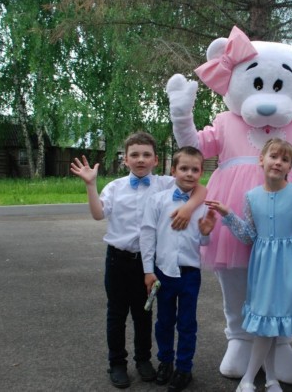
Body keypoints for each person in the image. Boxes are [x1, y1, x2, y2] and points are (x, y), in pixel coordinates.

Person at [70, 131, 206, 389]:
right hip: (118, 260)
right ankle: (117, 363)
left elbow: (200, 188)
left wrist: (188, 208)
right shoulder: (115, 187)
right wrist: (90, 185)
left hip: (148, 264)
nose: (140, 159)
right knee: (116, 314)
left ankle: (143, 360)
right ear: (125, 159)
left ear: (156, 160)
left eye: (146, 155)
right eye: (134, 155)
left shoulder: (166, 183)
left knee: (144, 314)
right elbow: (98, 214)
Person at [206, 138, 292, 392]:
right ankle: (264, 379)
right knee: (267, 324)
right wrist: (227, 214)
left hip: (288, 269)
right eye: (273, 156)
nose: (278, 162)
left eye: (285, 159)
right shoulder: (251, 196)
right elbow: (248, 236)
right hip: (263, 269)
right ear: (261, 160)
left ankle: (259, 379)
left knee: (272, 325)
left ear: (290, 167)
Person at [140, 146, 218, 392]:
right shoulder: (157, 201)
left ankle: (184, 368)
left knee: (187, 323)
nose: (189, 174)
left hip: (189, 274)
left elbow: (202, 241)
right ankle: (165, 362)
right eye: (184, 168)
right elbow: (147, 235)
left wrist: (206, 233)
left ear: (201, 173)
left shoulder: (202, 206)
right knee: (164, 322)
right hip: (163, 272)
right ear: (173, 170)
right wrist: (148, 270)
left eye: (195, 169)